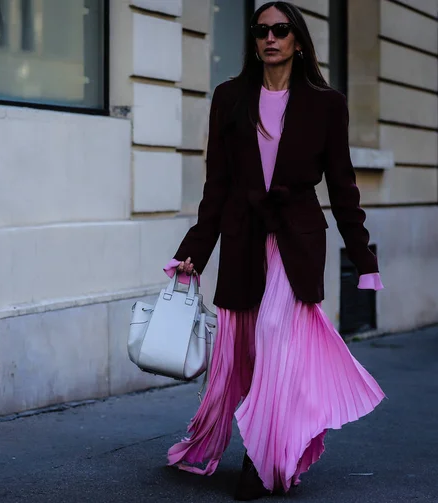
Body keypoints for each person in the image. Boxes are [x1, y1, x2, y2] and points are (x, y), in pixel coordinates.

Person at [163, 2, 386, 500]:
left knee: (274, 339)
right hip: (244, 238)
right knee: (245, 353)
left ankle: (260, 463)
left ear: (298, 40)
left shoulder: (327, 105)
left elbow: (343, 187)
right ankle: (265, 446)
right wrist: (194, 250)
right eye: (261, 30)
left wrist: (364, 259)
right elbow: (216, 185)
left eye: (280, 30)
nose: (270, 38)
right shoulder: (229, 98)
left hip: (297, 240)